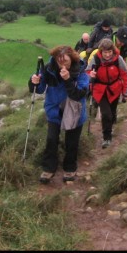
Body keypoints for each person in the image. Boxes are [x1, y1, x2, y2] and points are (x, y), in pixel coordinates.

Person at [28, 45, 89, 184]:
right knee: (51, 139)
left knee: (71, 142)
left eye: (65, 61)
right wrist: (34, 82)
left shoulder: (80, 72)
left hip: (74, 113)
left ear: (72, 60)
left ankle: (70, 168)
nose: (62, 64)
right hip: (54, 111)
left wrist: (68, 80)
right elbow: (39, 89)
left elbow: (78, 94)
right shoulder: (49, 70)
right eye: (58, 61)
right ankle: (49, 168)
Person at [87, 37, 127, 149]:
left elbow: (126, 75)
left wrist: (126, 92)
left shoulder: (118, 59)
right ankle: (107, 137)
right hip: (100, 90)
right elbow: (87, 72)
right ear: (101, 51)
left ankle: (112, 120)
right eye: (105, 52)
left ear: (113, 50)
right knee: (106, 114)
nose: (107, 55)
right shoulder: (96, 59)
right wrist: (90, 75)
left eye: (110, 52)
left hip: (115, 89)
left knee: (112, 111)